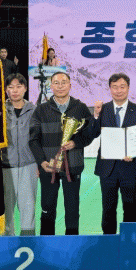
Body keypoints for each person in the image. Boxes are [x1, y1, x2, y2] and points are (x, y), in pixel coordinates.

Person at [29, 71, 93, 235]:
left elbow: (90, 133)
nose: (60, 86)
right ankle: (46, 243)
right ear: (51, 86)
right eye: (56, 83)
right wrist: (41, 162)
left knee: (72, 210)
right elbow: (33, 139)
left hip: (73, 167)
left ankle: (72, 243)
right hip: (48, 167)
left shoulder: (80, 108)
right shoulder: (41, 110)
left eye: (64, 82)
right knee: (47, 209)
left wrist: (76, 143)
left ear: (70, 85)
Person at [90, 73, 136, 234]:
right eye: (114, 87)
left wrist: (134, 153)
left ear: (128, 88)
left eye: (122, 87)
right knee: (108, 208)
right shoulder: (103, 109)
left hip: (130, 167)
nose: (118, 90)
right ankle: (108, 240)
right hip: (107, 169)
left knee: (130, 207)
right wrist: (96, 115)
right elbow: (93, 133)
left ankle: (130, 240)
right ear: (110, 89)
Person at [2, 73, 37, 236]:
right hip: (5, 166)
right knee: (5, 208)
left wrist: (39, 163)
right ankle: (6, 242)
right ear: (6, 90)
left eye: (18, 86)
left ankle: (28, 242)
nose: (15, 90)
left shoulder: (34, 110)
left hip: (29, 165)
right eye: (11, 87)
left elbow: (39, 138)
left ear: (25, 88)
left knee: (28, 207)